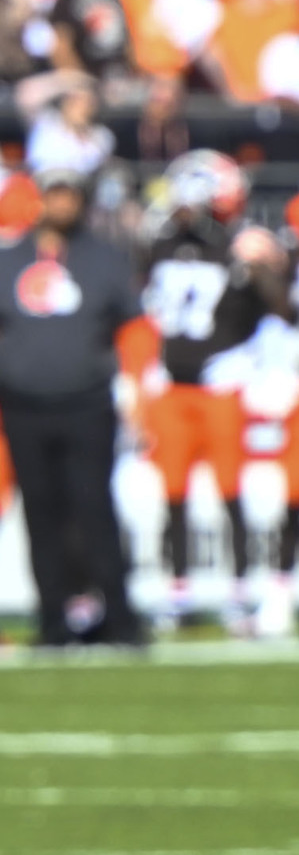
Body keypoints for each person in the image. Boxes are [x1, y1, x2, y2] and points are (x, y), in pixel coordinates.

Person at [136, 149, 289, 633]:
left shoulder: (239, 246)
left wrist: (263, 269)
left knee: (229, 490)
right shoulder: (161, 244)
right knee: (174, 491)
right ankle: (178, 588)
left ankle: (240, 588)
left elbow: (282, 310)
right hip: (174, 384)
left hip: (221, 383)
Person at [0, 159, 145, 645]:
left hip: (87, 403)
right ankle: (53, 621)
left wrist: (134, 389)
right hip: (23, 405)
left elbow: (132, 327)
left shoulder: (103, 258)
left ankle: (119, 619)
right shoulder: (9, 257)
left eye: (70, 194)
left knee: (94, 510)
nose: (61, 203)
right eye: (54, 193)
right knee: (41, 514)